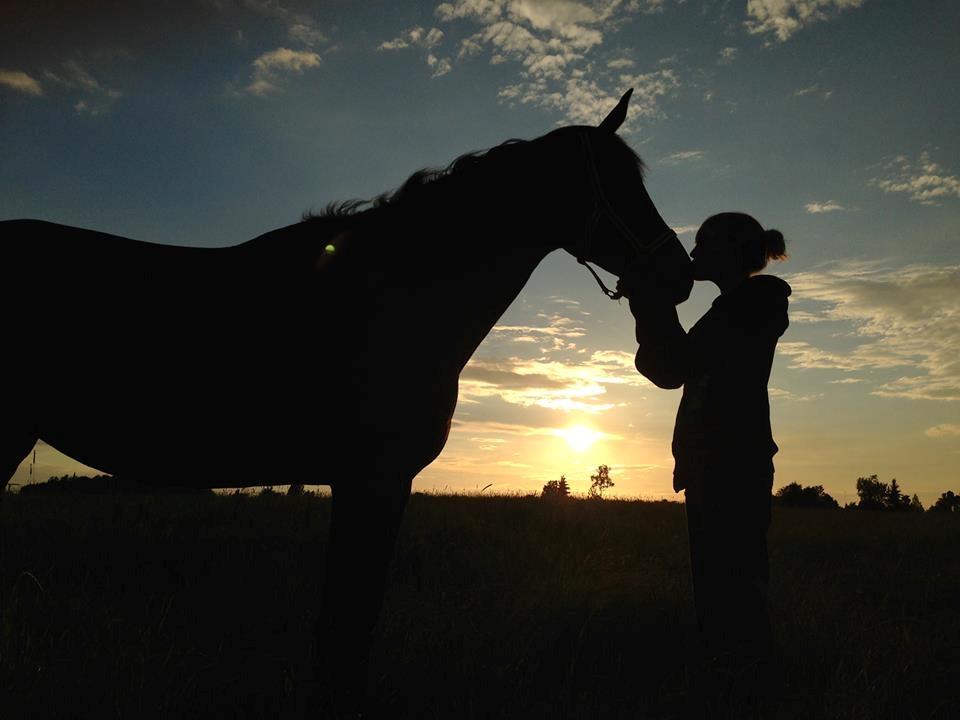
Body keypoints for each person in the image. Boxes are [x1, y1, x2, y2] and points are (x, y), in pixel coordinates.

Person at [618, 212, 790, 714]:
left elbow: (673, 366)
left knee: (733, 583)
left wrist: (648, 301)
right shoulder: (735, 307)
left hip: (733, 462)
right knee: (720, 585)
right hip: (717, 462)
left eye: (701, 246)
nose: (692, 256)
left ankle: (747, 685)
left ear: (728, 252)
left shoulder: (756, 304)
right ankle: (731, 682)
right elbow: (675, 365)